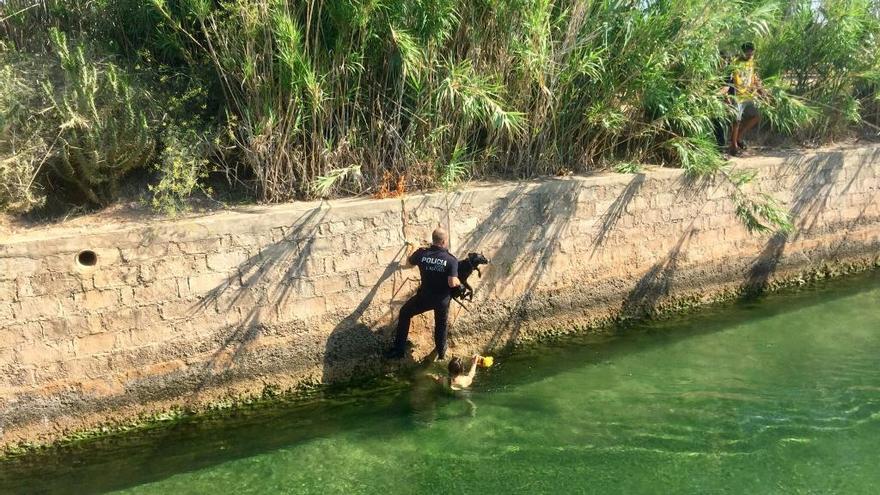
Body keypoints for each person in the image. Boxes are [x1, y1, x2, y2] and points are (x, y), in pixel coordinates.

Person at [387, 228, 460, 360]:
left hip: (424, 297)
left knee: (404, 313)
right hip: (442, 300)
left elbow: (409, 262)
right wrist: (458, 281)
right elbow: (452, 283)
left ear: (434, 240)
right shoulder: (451, 260)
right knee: (441, 324)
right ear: (444, 241)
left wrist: (413, 247)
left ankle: (398, 351)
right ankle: (441, 353)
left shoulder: (422, 254)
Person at [727, 42, 767, 157]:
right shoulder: (735, 63)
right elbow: (732, 80)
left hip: (748, 95)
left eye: (752, 53)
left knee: (757, 116)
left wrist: (760, 91)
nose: (750, 55)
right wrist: (731, 95)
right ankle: (733, 145)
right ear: (743, 52)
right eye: (748, 53)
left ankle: (738, 137)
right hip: (738, 95)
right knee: (737, 120)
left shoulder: (751, 62)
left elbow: (753, 77)